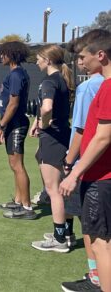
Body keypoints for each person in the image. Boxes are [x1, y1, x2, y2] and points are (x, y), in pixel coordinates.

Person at [60, 31, 111, 292]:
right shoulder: (103, 86)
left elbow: (102, 138)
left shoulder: (108, 87)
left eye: (83, 56)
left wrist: (73, 173)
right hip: (100, 177)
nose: (80, 61)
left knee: (102, 242)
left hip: (101, 179)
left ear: (100, 55)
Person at [29, 45, 74, 252]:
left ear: (47, 60)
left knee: (53, 189)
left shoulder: (48, 81)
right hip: (64, 136)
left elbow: (47, 107)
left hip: (53, 140)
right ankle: (67, 233)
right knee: (62, 189)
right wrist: (37, 121)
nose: (36, 61)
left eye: (38, 58)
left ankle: (59, 239)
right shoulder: (62, 80)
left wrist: (43, 123)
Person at [0, 41, 35, 220]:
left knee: (17, 165)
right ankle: (19, 201)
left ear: (11, 54)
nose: (1, 56)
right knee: (14, 165)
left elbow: (13, 103)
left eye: (3, 53)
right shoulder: (14, 74)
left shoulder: (17, 75)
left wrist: (1, 126)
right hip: (12, 124)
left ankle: (27, 208)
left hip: (16, 123)